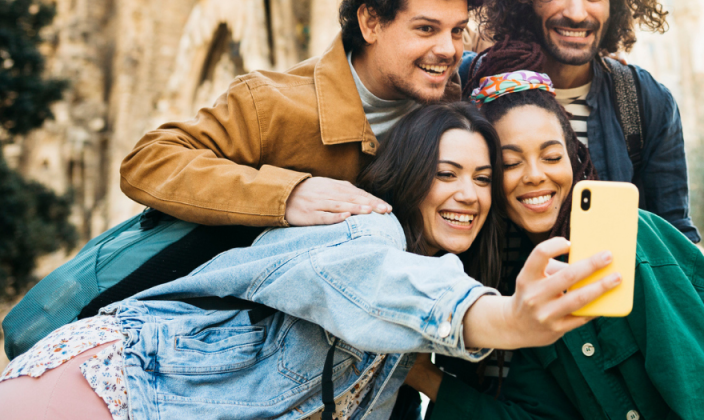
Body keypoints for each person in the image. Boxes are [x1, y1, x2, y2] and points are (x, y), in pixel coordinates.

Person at [0, 103, 622, 420]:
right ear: (410, 177)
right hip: (112, 389)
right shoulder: (363, 229)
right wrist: (508, 319)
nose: (469, 193)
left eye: (484, 178)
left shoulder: (397, 350)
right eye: (446, 173)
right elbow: (374, 283)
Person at [407, 75, 704, 420]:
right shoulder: (524, 292)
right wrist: (420, 374)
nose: (535, 174)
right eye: (510, 163)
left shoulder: (625, 235)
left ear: (574, 159)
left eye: (552, 156)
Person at [467, 0, 704, 320]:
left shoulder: (641, 102)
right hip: (489, 356)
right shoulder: (472, 82)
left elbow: (671, 232)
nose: (576, 11)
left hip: (602, 359)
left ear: (614, 4)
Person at [120, 0, 480, 228]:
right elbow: (150, 161)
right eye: (426, 29)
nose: (448, 49)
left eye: (458, 31)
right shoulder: (270, 103)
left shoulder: (455, 104)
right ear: (371, 23)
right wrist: (288, 195)